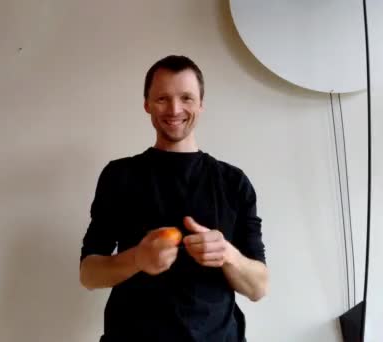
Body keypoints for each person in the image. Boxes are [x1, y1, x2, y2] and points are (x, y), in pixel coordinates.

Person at [79, 55, 268, 342]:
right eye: (162, 98)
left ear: (201, 104)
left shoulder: (233, 182)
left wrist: (227, 254)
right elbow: (88, 274)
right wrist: (138, 258)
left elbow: (258, 286)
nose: (175, 108)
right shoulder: (119, 175)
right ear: (146, 104)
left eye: (186, 98)